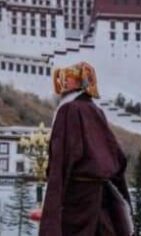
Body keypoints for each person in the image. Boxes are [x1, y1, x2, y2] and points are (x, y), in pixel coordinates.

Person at [39, 62, 133, 236]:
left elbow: (61, 160)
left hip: (77, 198)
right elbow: (117, 157)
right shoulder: (96, 110)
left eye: (69, 79)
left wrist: (51, 213)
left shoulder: (68, 109)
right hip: (100, 196)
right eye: (64, 78)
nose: (65, 82)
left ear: (80, 82)